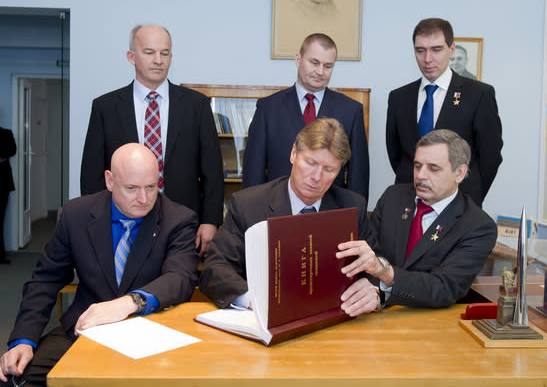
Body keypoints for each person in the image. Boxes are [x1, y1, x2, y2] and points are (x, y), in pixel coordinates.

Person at [0, 143, 199, 386]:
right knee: (18, 379)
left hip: (151, 333)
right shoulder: (77, 214)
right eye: (131, 188)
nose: (144, 198)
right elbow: (46, 279)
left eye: (151, 186)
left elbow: (180, 278)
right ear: (109, 180)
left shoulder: (178, 219)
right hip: (84, 328)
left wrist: (130, 303)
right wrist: (23, 339)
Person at [200, 118, 378, 316]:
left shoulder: (352, 207)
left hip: (332, 320)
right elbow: (215, 269)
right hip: (262, 320)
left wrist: (374, 291)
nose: (316, 177)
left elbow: (376, 267)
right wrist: (256, 303)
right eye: (310, 163)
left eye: (329, 169)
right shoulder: (248, 205)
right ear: (294, 153)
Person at [80, 24, 223, 256]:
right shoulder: (105, 108)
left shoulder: (196, 106)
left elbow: (213, 171)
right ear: (131, 56)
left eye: (164, 53)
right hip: (122, 222)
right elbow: (92, 174)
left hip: (182, 222)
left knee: (177, 286)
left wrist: (210, 221)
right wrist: (97, 222)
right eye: (149, 52)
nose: (158, 60)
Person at [337, 129, 497, 309]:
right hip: (374, 314)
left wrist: (385, 274)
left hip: (432, 324)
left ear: (459, 173)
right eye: (417, 166)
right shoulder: (393, 198)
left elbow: (444, 288)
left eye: (433, 168)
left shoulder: (477, 226)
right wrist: (376, 290)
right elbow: (371, 253)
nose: (421, 175)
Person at [386, 18, 502, 207]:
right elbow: (397, 155)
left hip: (460, 203)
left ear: (452, 49)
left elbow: (491, 155)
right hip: (408, 202)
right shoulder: (399, 97)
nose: (427, 59)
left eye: (436, 49)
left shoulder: (479, 94)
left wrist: (470, 195)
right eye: (420, 50)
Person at [242, 33, 369, 199]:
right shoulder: (268, 108)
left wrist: (353, 219)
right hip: (277, 209)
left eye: (328, 66)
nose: (320, 72)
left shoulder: (351, 111)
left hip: (329, 213)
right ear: (298, 59)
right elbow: (253, 172)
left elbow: (358, 179)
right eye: (314, 62)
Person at [0, 127, 16, 264]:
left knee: (0, 220)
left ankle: (0, 255)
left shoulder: (6, 133)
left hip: (2, 183)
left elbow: (11, 151)